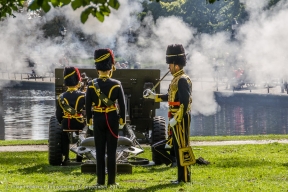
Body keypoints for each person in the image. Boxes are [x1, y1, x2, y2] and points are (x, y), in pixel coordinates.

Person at [143, 44, 192, 184]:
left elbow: (185, 102)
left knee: (182, 147)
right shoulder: (177, 78)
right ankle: (182, 178)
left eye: (170, 64)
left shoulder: (182, 79)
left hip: (180, 118)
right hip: (176, 117)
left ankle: (184, 178)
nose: (169, 67)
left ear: (176, 65)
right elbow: (169, 97)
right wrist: (154, 96)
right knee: (177, 148)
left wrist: (177, 119)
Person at [85, 48, 126, 188]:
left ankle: (100, 182)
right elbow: (122, 103)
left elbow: (87, 104)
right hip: (112, 117)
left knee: (100, 151)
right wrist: (122, 119)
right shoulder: (116, 84)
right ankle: (112, 182)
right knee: (112, 151)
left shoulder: (91, 85)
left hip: (97, 117)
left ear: (97, 68)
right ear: (110, 67)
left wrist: (89, 119)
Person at [56, 66, 85, 164]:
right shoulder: (83, 95)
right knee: (81, 135)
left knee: (64, 138)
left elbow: (58, 114)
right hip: (79, 122)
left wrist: (61, 122)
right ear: (77, 80)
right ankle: (79, 157)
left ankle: (66, 158)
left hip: (66, 123)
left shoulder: (61, 97)